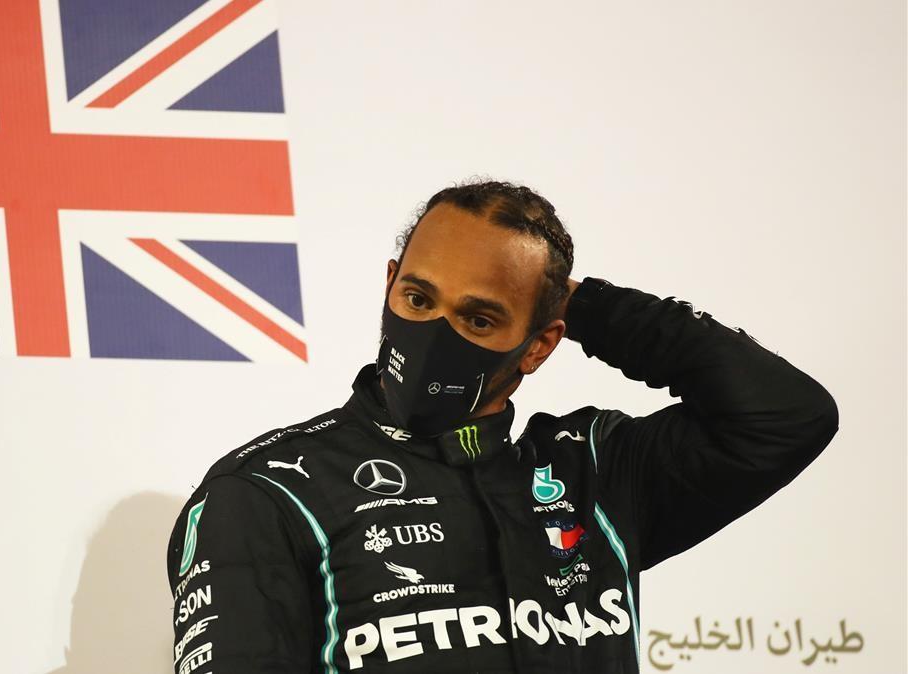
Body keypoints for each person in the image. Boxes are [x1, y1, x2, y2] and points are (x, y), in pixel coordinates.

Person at [165, 179, 838, 674]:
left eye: (479, 318)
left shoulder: (594, 473)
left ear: (539, 346)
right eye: (418, 298)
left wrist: (583, 305)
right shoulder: (270, 491)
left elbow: (786, 416)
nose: (435, 333)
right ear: (390, 285)